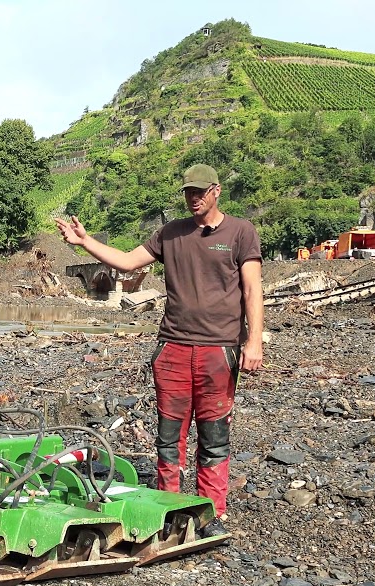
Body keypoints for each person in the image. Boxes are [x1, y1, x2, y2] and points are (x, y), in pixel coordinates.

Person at [56, 164, 263, 538]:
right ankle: (169, 509)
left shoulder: (240, 232)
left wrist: (254, 341)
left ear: (216, 190)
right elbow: (127, 261)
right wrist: (85, 242)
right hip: (173, 348)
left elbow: (252, 289)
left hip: (219, 350)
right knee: (169, 437)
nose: (193, 198)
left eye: (200, 191)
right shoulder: (170, 233)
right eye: (188, 192)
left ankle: (210, 513)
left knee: (214, 435)